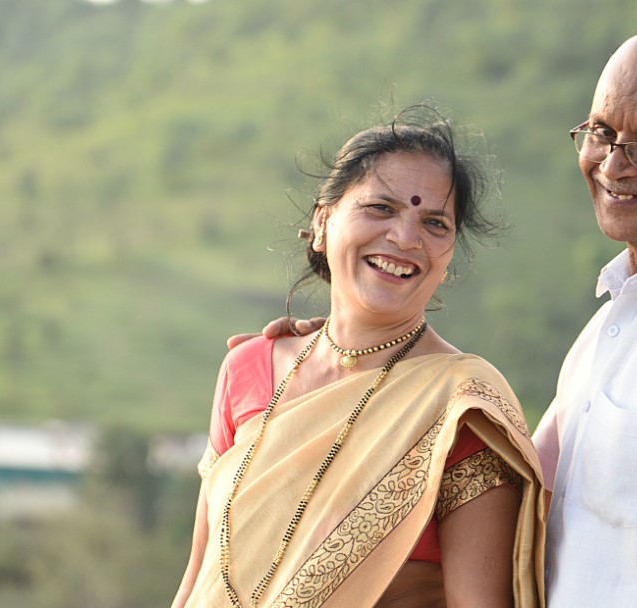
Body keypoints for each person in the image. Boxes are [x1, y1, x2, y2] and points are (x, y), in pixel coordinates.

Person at [244, 23, 637, 608]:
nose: (614, 165)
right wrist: (344, 356)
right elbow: (518, 486)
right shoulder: (622, 317)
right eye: (602, 133)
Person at [172, 106, 548, 608]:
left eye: (434, 222)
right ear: (323, 223)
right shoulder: (248, 368)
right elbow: (200, 576)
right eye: (381, 208)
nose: (406, 237)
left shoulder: (462, 407)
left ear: (450, 252)